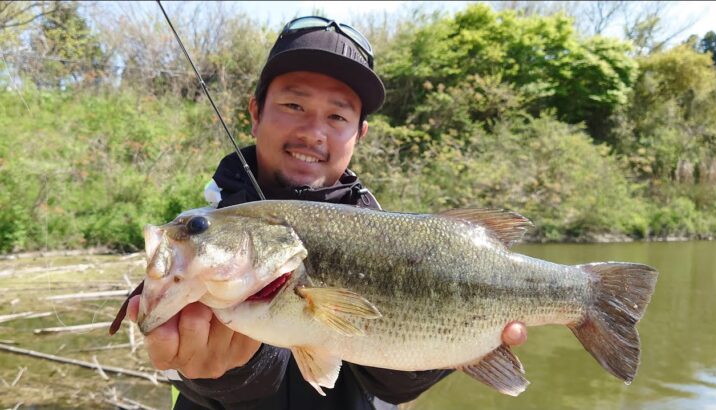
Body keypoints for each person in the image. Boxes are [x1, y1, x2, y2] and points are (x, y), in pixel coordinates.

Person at [126, 16, 528, 410]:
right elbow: (176, 358)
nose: (313, 132)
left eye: (337, 116)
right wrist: (230, 375)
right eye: (293, 104)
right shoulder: (198, 235)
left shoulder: (398, 242)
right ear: (255, 112)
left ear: (360, 134)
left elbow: (389, 389)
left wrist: (452, 351)